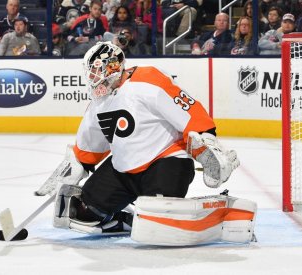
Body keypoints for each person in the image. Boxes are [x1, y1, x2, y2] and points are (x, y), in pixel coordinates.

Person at [35, 42, 248, 245]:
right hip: (123, 169)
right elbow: (91, 143)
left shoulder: (148, 79)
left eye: (98, 74)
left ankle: (213, 212)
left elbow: (186, 108)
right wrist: (76, 164)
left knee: (158, 220)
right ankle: (123, 220)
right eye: (91, 74)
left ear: (113, 68)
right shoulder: (98, 103)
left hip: (166, 161)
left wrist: (205, 143)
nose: (94, 81)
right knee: (83, 213)